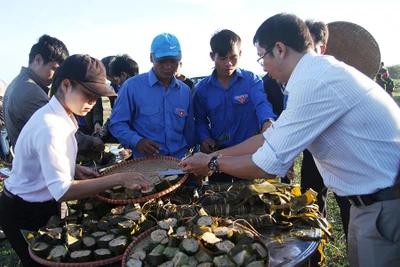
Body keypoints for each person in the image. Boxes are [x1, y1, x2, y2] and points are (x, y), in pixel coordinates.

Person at [179, 13, 400, 267]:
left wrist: (212, 164)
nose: (263, 67)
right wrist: (211, 157)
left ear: (280, 50)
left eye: (262, 57)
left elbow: (268, 164)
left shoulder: (313, 82)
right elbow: (268, 138)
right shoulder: (316, 73)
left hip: (385, 206)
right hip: (370, 205)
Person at [0, 54, 149, 267]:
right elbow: (62, 190)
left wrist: (74, 168)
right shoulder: (50, 126)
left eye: (97, 96)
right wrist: (118, 178)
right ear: (66, 85)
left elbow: (44, 160)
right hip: (24, 213)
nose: (93, 102)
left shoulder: (64, 116)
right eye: (88, 94)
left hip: (41, 205)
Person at [194, 29, 276, 183]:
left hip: (249, 156)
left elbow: (261, 104)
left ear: (240, 54)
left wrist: (267, 121)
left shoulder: (251, 80)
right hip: (219, 156)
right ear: (212, 57)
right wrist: (204, 138)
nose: (228, 64)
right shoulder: (202, 89)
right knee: (219, 201)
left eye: (233, 57)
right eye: (223, 58)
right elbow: (199, 120)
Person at [3, 34, 104, 154]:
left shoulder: (17, 83)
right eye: (55, 69)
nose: (56, 75)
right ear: (38, 60)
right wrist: (92, 142)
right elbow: (58, 133)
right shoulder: (31, 91)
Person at [109, 33, 195, 159]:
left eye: (173, 61)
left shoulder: (185, 91)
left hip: (180, 163)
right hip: (147, 165)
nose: (168, 66)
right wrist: (137, 141)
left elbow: (190, 130)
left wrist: (194, 154)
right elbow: (117, 123)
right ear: (151, 58)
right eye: (162, 61)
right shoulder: (132, 87)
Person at [303, 19, 351, 241]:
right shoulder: (300, 83)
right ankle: (316, 253)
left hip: (344, 157)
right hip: (312, 153)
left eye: (309, 48)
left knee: (350, 207)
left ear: (321, 48)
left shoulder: (336, 79)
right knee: (312, 203)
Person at [0, 79, 10, 161]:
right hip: (5, 125)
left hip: (2, 126)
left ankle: (7, 162)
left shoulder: (0, 102)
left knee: (3, 147)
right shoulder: (5, 100)